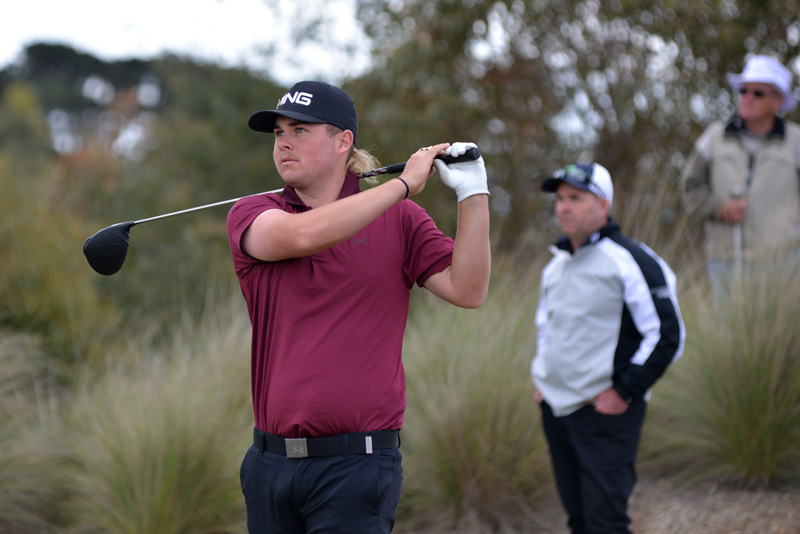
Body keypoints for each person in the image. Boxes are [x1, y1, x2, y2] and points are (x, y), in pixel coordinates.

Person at [225, 80, 491, 534]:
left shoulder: (401, 219)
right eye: (278, 133)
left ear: (342, 141)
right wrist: (403, 184)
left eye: (300, 130)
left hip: (358, 467)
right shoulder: (253, 212)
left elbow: (468, 289)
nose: (284, 142)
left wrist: (473, 194)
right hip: (269, 466)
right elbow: (303, 236)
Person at [530, 163, 685, 534]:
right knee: (579, 520)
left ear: (603, 204)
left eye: (576, 198)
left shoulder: (632, 259)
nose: (564, 207)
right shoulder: (556, 265)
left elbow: (667, 334)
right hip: (556, 409)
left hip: (606, 412)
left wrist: (625, 390)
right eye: (560, 199)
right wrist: (543, 381)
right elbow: (546, 327)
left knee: (606, 523)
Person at [679, 55, 800, 301]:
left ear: (777, 101)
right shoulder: (714, 137)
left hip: (783, 262)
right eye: (744, 90)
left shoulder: (796, 141)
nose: (747, 97)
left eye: (758, 93)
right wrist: (719, 208)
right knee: (727, 326)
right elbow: (690, 187)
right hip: (724, 260)